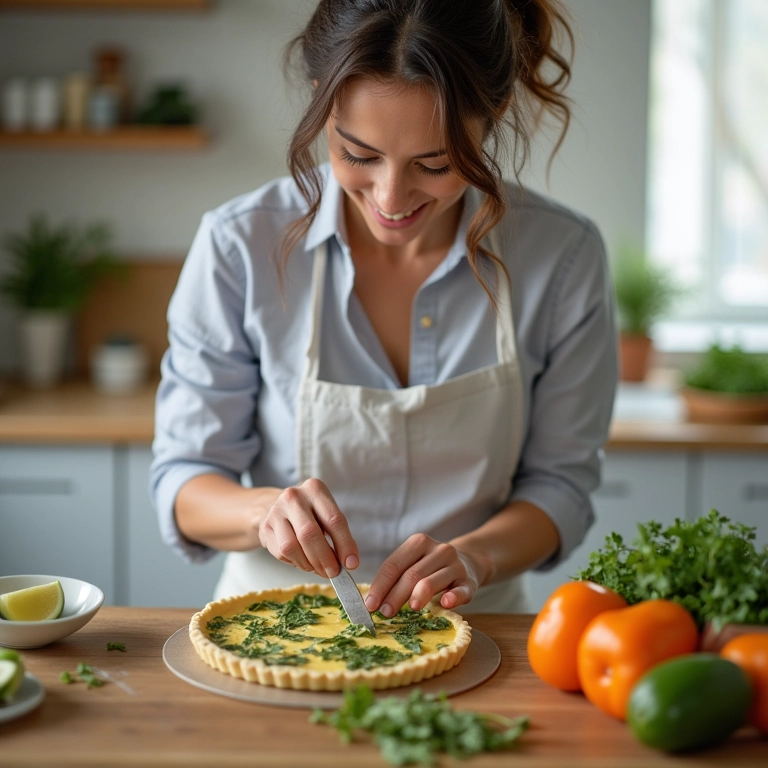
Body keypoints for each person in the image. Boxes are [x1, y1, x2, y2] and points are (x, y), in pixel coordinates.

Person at [150, 0, 618, 616]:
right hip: (269, 621)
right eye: (359, 156)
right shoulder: (239, 244)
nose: (391, 199)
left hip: (479, 626)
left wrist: (476, 557)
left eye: (436, 163)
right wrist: (264, 511)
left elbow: (560, 486)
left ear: (493, 114)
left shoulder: (562, 256)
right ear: (322, 102)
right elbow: (186, 477)